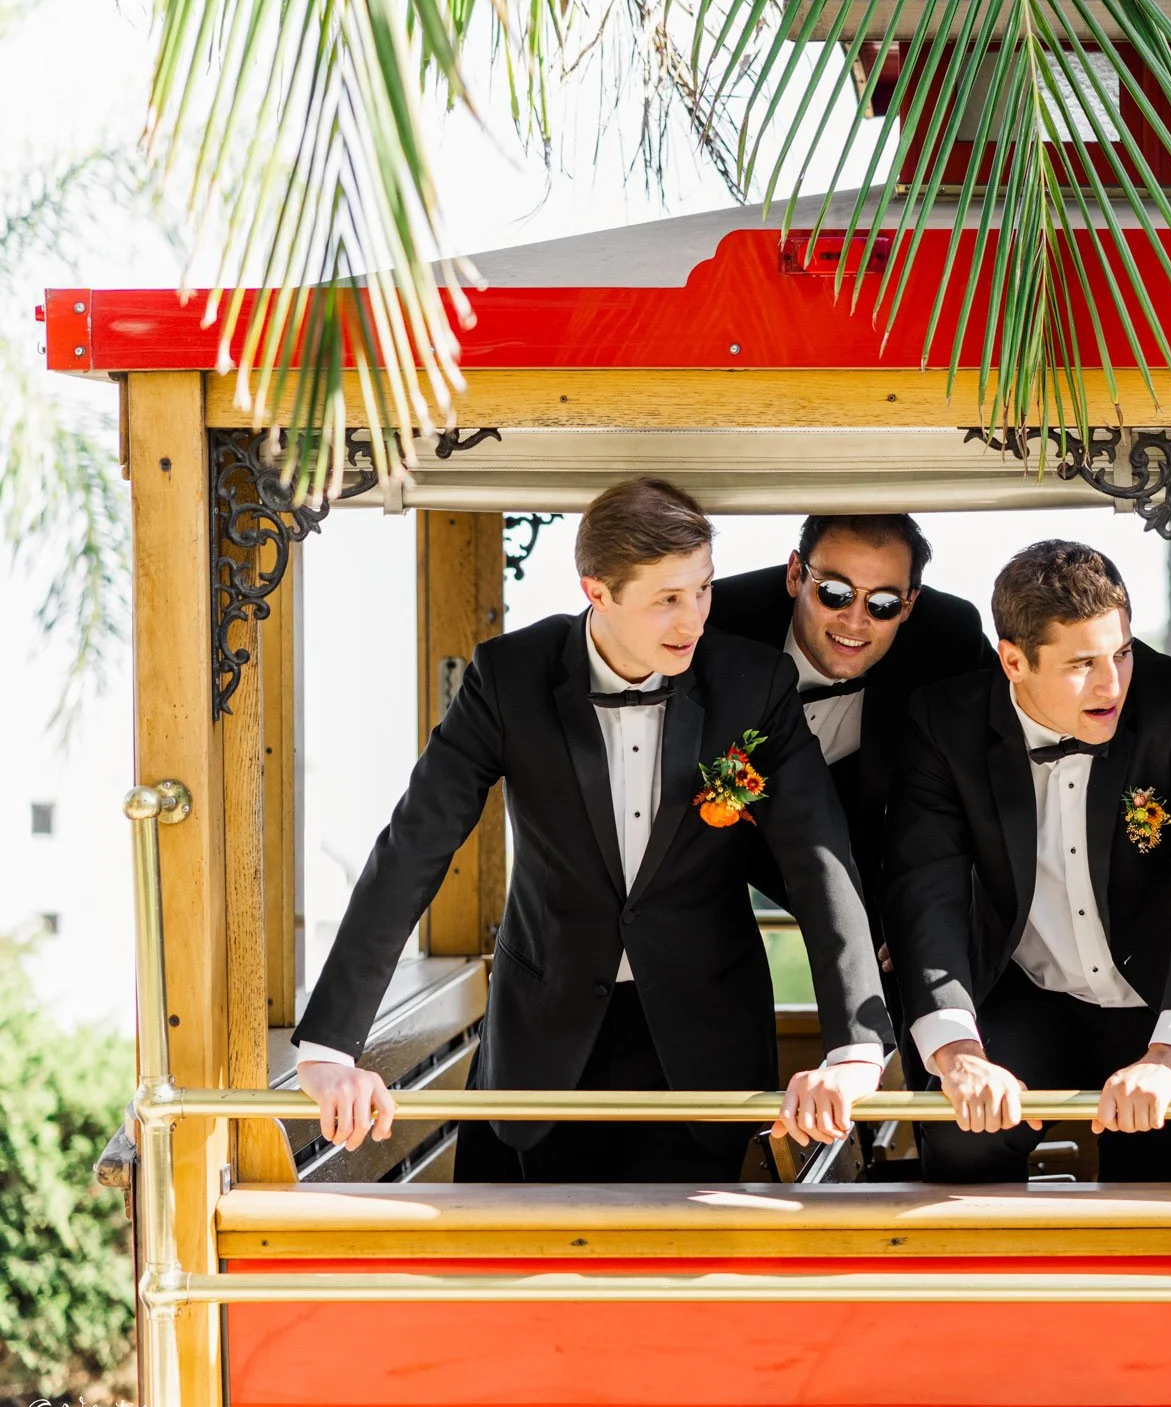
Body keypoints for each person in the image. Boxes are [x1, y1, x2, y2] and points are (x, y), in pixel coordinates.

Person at [291, 478, 893, 1183]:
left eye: (702, 589)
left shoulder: (753, 683)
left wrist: (856, 1046)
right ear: (597, 591)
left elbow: (819, 857)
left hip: (703, 1035)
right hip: (546, 1028)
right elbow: (415, 845)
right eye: (667, 599)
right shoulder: (507, 677)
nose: (693, 619)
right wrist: (330, 1046)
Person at [884, 540, 1171, 1183]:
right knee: (962, 1141)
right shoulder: (944, 721)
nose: (1112, 684)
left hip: (1161, 995)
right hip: (1025, 992)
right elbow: (927, 887)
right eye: (1083, 663)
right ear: (1014, 660)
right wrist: (958, 1051)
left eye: (1123, 653)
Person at [709, 514, 990, 935]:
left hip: (854, 830)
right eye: (835, 593)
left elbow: (997, 752)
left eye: (883, 604)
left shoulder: (948, 638)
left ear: (909, 604)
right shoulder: (717, 621)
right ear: (794, 575)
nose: (855, 621)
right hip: (704, 824)